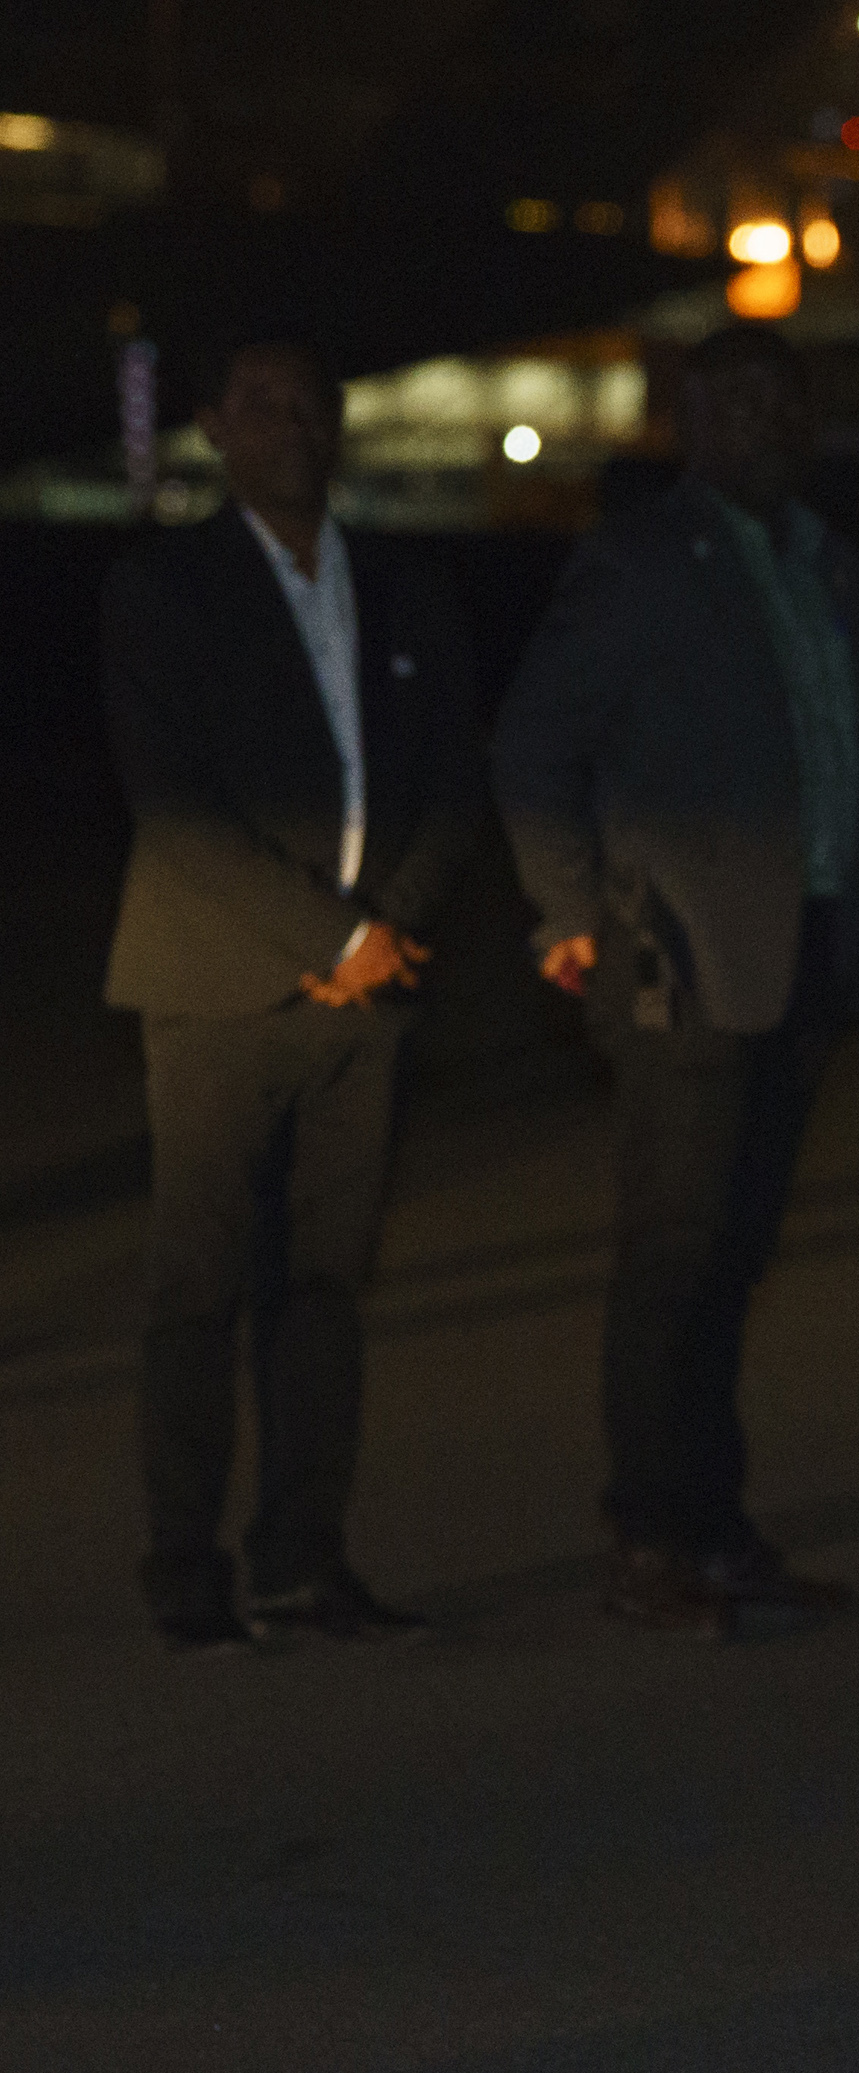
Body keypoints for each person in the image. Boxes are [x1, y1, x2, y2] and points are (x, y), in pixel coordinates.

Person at [494, 324, 859, 1638]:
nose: (765, 431)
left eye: (785, 406)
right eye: (736, 410)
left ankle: (715, 1528)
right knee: (672, 1258)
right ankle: (651, 1539)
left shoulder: (826, 563)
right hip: (681, 958)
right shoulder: (641, 560)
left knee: (733, 1258)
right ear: (693, 425)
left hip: (809, 945)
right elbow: (536, 743)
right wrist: (574, 915)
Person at [100, 331, 486, 1652]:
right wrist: (332, 940)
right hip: (216, 992)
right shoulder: (165, 591)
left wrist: (393, 929)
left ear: (337, 424)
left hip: (370, 999)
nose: (288, 426)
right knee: (197, 1289)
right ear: (214, 428)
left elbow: (452, 777)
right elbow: (178, 814)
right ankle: (183, 1561)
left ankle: (304, 1559)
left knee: (323, 1291)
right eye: (258, 404)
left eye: (307, 403)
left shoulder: (402, 586)